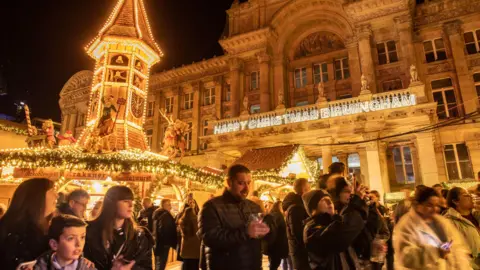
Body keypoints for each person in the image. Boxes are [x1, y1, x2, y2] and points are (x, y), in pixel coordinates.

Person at [198, 164, 270, 270]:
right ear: (229, 182)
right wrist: (246, 232)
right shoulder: (212, 207)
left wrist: (269, 228)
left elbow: (260, 239)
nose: (246, 188)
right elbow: (210, 238)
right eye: (241, 183)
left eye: (248, 183)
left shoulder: (253, 207)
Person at [393, 186, 471, 270]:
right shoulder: (406, 225)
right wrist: (435, 252)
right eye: (429, 205)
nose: (434, 209)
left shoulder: (442, 222)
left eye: (437, 205)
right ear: (418, 205)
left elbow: (458, 248)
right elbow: (405, 257)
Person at [83, 186, 153, 270]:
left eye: (132, 201)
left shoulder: (139, 236)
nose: (131, 205)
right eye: (125, 201)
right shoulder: (88, 231)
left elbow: (146, 267)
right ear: (111, 203)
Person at [0, 178, 57, 270]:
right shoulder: (14, 229)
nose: (57, 195)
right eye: (52, 190)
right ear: (37, 196)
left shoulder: (47, 228)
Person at [303, 189, 365, 269]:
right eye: (323, 200)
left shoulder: (336, 221)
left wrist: (370, 205)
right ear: (313, 208)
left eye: (330, 200)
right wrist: (355, 204)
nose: (329, 202)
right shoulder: (311, 229)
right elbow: (339, 235)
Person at [327, 177, 380, 267]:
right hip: (353, 260)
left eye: (352, 192)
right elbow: (349, 228)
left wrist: (371, 206)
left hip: (366, 260)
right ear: (337, 193)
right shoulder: (336, 211)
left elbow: (373, 229)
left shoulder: (358, 207)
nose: (351, 195)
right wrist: (357, 201)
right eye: (347, 191)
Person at [444, 187, 480, 269]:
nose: (471, 197)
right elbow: (447, 247)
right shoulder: (449, 221)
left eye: (470, 194)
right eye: (466, 195)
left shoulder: (476, 215)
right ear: (455, 201)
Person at [282, 178, 311, 270]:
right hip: (301, 254)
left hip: (299, 252)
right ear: (304, 190)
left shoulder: (297, 205)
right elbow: (298, 234)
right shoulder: (296, 208)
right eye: (309, 188)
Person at [262, 201, 289, 270]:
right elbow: (276, 229)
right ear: (277, 207)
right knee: (275, 263)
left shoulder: (274, 215)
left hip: (274, 244)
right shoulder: (277, 215)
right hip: (277, 244)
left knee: (274, 262)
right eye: (281, 206)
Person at [152, 199, 177, 270]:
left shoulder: (156, 213)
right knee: (161, 263)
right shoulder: (165, 215)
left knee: (158, 262)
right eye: (169, 205)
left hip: (156, 241)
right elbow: (165, 229)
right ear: (164, 205)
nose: (170, 207)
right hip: (164, 243)